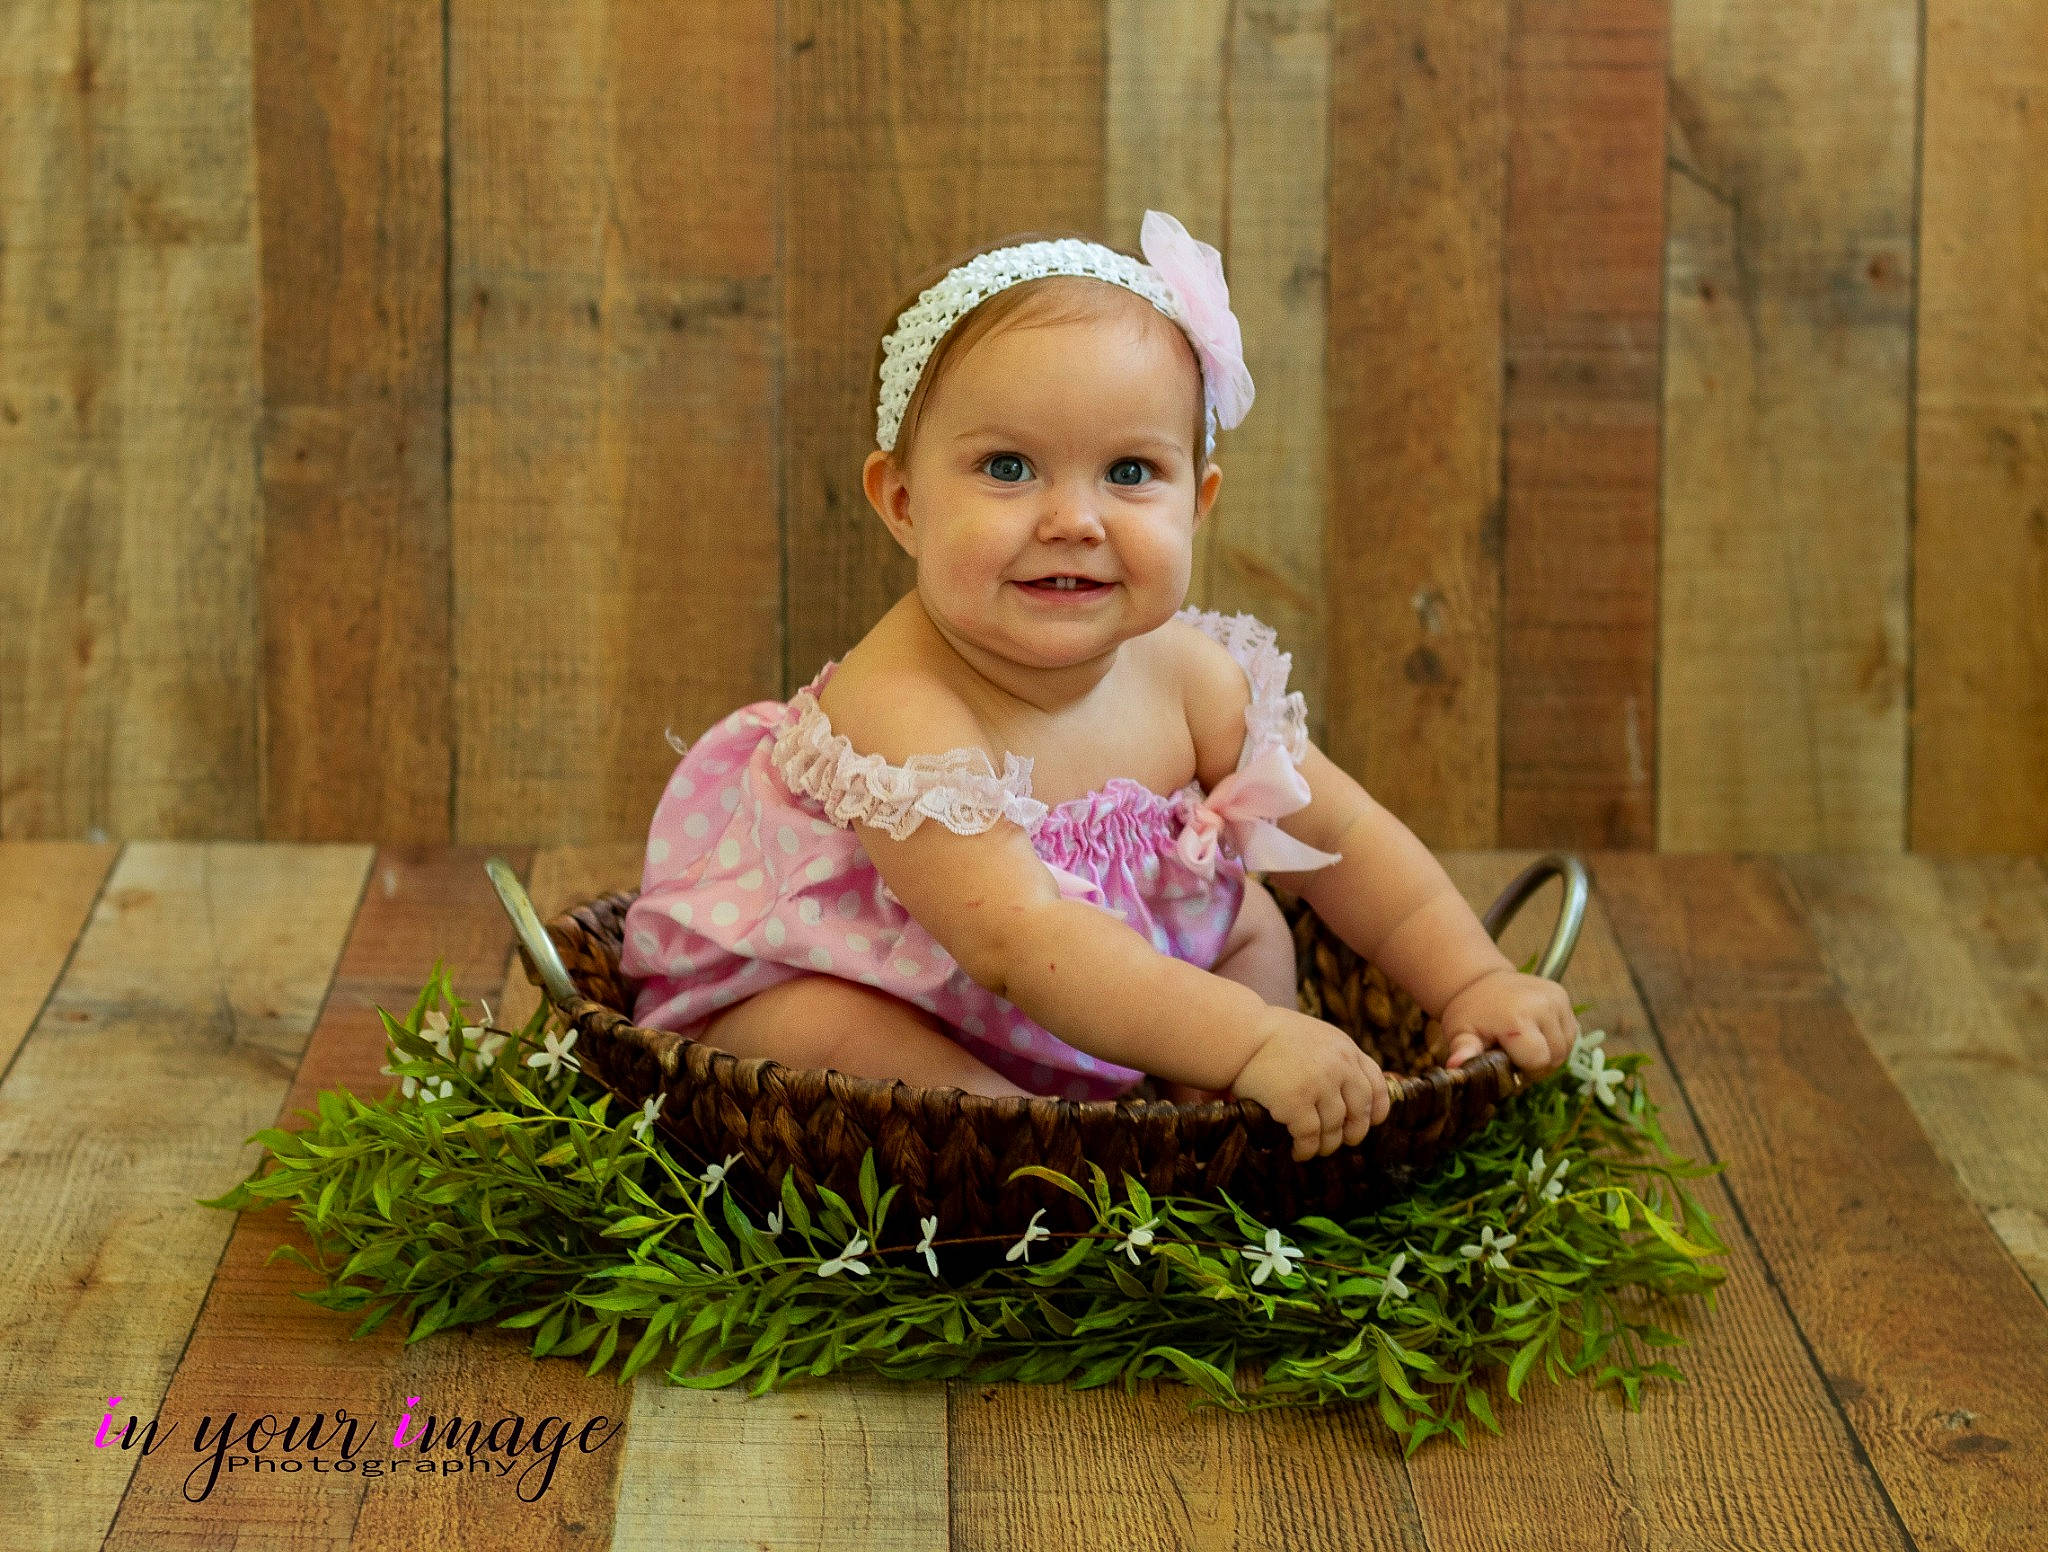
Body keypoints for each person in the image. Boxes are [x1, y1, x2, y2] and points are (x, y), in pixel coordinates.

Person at [620, 211, 1578, 1162]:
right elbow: (1018, 940)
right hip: (909, 988)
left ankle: (1217, 1127)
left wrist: (1471, 981)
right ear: (904, 503)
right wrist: (1245, 1036)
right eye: (1008, 468)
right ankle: (1026, 1155)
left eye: (1130, 471)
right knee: (821, 1032)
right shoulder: (900, 709)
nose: (1074, 519)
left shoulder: (1194, 678)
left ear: (1197, 503)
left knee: (1254, 929)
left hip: (1124, 998)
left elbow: (1349, 836)